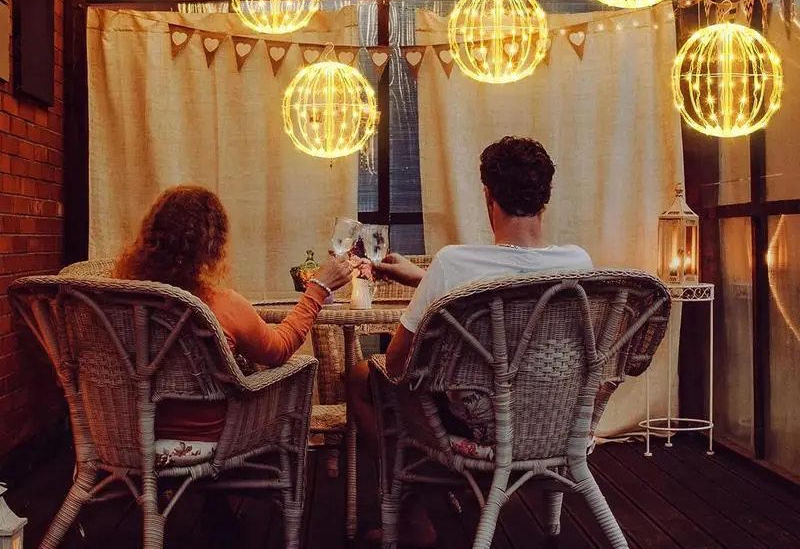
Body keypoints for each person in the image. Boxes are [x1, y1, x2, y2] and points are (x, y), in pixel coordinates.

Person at [348, 136, 593, 546]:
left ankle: (417, 504)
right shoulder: (577, 264)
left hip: (481, 429)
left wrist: (433, 283)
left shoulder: (455, 264)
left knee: (361, 377)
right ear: (544, 200)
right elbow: (514, 288)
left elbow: (395, 364)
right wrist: (422, 280)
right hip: (557, 421)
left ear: (488, 195)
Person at [114, 184, 352, 441]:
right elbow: (279, 349)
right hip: (208, 438)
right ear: (213, 246)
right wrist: (317, 289)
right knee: (294, 373)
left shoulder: (116, 302)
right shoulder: (217, 305)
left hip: (128, 435)